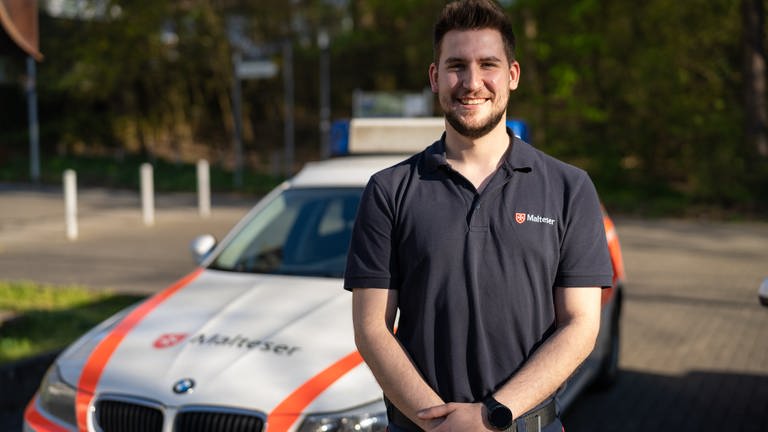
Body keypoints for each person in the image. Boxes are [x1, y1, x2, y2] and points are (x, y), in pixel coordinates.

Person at [344, 0, 613, 431]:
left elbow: (580, 325)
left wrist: (493, 415)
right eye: (456, 66)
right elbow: (372, 328)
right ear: (435, 78)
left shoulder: (569, 188)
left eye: (488, 64)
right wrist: (439, 423)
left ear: (513, 75)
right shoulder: (388, 190)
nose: (471, 82)